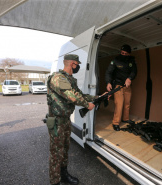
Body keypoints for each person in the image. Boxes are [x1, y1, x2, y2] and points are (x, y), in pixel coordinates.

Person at [46, 54, 106, 185]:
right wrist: (86, 105)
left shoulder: (69, 79)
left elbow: (81, 95)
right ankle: (55, 181)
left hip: (65, 120)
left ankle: (63, 174)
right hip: (57, 121)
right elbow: (71, 96)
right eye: (77, 64)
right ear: (73, 63)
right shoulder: (58, 78)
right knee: (56, 152)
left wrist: (98, 97)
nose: (78, 66)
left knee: (65, 149)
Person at [105, 44, 137, 131]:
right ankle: (115, 123)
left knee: (127, 104)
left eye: (125, 53)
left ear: (129, 54)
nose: (123, 54)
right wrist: (108, 82)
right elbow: (109, 72)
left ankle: (125, 119)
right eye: (122, 53)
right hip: (118, 86)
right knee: (119, 104)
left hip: (127, 86)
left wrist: (129, 78)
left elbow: (134, 71)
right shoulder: (115, 60)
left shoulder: (132, 60)